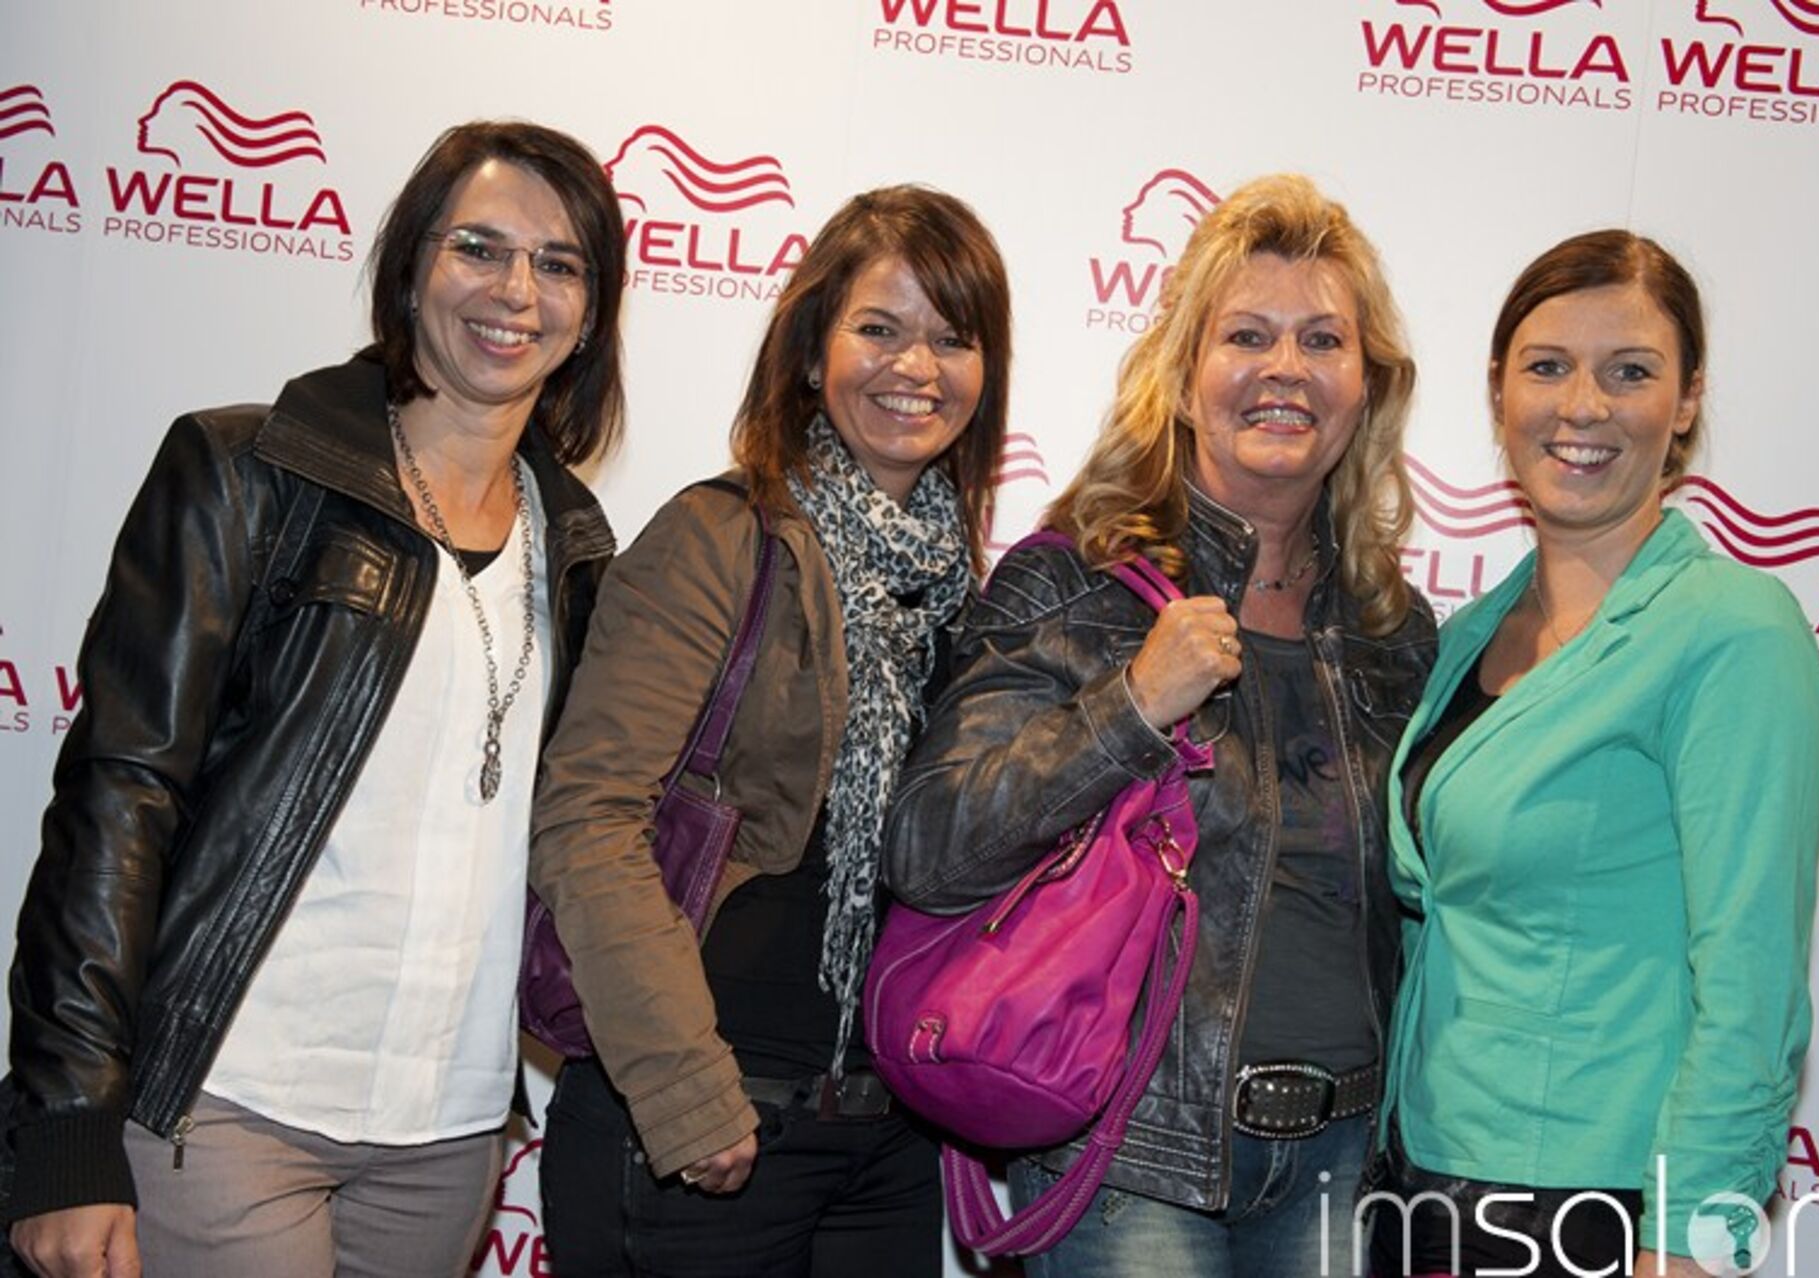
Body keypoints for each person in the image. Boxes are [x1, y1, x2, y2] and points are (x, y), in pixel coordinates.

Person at [1, 120, 626, 1278]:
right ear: (410, 267)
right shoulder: (246, 476)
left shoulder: (580, 551)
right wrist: (68, 1124)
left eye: (559, 264)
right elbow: (117, 803)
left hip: (447, 1135)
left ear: (591, 312)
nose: (515, 291)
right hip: (228, 1098)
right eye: (478, 247)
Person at [883, 173, 1435, 1277]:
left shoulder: (1394, 629)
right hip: (1131, 1159)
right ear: (1183, 380)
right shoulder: (1073, 583)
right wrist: (1131, 706)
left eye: (1323, 339)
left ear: (1365, 386)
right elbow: (929, 848)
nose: (1286, 368)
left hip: (1342, 1160)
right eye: (1247, 335)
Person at [528, 185, 1011, 1278]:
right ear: (809, 352)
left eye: (952, 338)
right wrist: (684, 1091)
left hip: (887, 1145)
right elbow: (586, 820)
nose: (916, 367)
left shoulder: (959, 591)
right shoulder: (719, 537)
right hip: (703, 1133)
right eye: (878, 328)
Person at [1371, 230, 1819, 1278]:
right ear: (1499, 391)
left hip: (1602, 1209)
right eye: (1547, 367)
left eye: (1629, 372)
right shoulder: (1465, 637)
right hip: (1419, 1180)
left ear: (1687, 400)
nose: (1583, 406)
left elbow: (1752, 980)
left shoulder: (1734, 632)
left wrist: (1693, 1242)